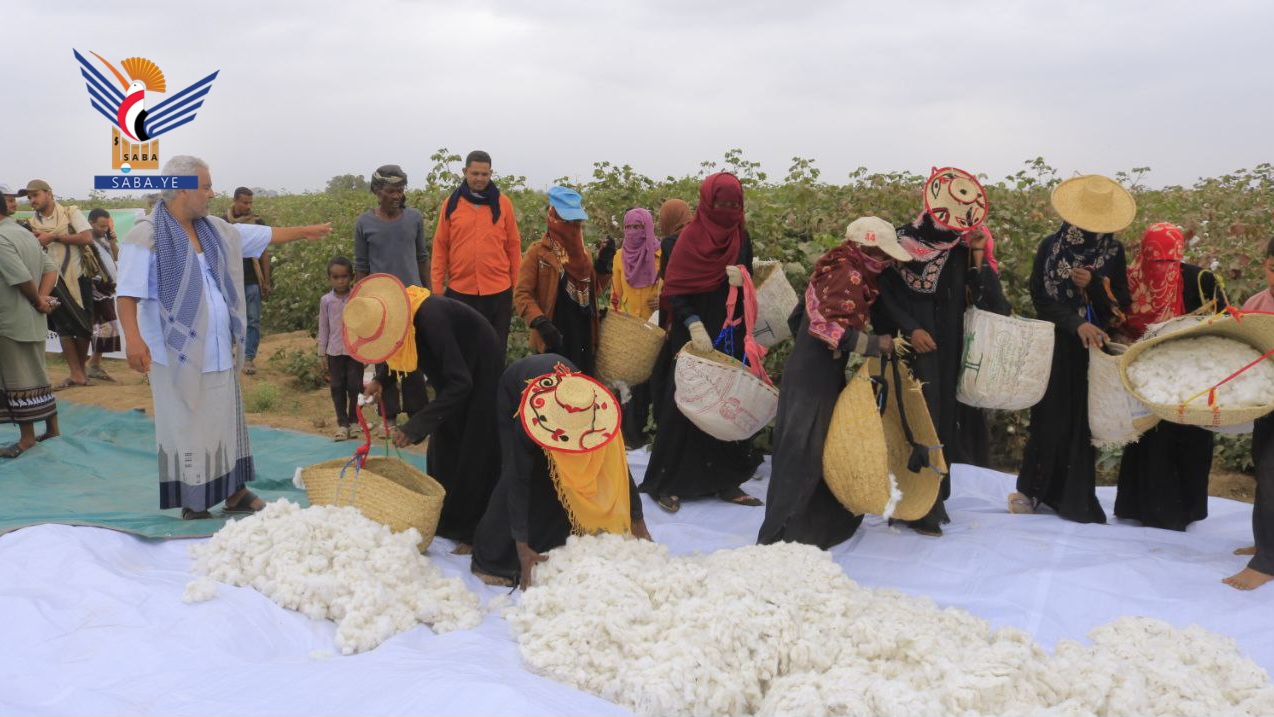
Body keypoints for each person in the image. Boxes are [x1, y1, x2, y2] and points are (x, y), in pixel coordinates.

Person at [115, 155, 332, 519]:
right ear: (183, 190)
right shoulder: (145, 236)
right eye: (206, 186)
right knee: (188, 426)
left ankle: (235, 493)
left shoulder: (214, 230)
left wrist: (304, 231)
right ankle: (194, 501)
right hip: (174, 353)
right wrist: (134, 341)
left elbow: (261, 236)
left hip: (217, 349)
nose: (213, 194)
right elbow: (127, 295)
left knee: (226, 422)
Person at [871, 167, 1011, 536]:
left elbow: (990, 302)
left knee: (943, 419)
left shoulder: (963, 247)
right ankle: (914, 506)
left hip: (947, 346)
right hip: (909, 344)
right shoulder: (901, 241)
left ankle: (933, 500)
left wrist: (978, 254)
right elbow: (883, 295)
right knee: (913, 418)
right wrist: (910, 328)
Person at [758, 217, 912, 548]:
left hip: (810, 367)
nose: (885, 262)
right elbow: (827, 329)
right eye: (882, 255)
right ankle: (784, 533)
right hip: (814, 374)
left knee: (812, 448)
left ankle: (809, 526)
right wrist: (877, 344)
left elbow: (798, 318)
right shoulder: (848, 275)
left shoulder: (831, 264)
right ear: (866, 247)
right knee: (802, 452)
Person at [1010, 174, 1134, 523]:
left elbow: (1121, 303)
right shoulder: (1051, 246)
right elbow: (1040, 297)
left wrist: (1093, 285)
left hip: (1092, 348)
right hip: (1056, 342)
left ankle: (1073, 497)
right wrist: (1074, 323)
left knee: (1081, 422)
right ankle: (1033, 490)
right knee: (1048, 416)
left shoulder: (1113, 251)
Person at [347, 274, 503, 549]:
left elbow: (462, 382)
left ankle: (473, 531)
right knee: (443, 444)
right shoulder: (404, 321)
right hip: (454, 372)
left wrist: (416, 426)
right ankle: (445, 519)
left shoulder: (431, 318)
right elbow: (401, 351)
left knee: (473, 447)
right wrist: (381, 380)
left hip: (480, 365)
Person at [471, 355, 652, 589]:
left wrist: (638, 519)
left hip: (565, 389)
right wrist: (522, 547)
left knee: (561, 478)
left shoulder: (600, 421)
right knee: (516, 474)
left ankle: (548, 539)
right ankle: (492, 559)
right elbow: (518, 481)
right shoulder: (528, 422)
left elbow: (620, 471)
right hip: (513, 394)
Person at [639, 172, 763, 512]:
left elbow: (749, 277)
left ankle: (725, 480)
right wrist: (693, 323)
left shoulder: (741, 237)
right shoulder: (688, 240)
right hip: (692, 332)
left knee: (724, 402)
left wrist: (743, 279)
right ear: (708, 203)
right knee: (685, 402)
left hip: (727, 331)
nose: (728, 211)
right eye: (722, 204)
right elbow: (675, 288)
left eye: (734, 205)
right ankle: (668, 481)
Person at [1114, 222, 1227, 531]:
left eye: (1169, 260)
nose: (1162, 268)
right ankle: (1145, 509)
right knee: (1152, 442)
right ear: (1143, 254)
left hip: (1192, 376)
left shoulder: (1200, 280)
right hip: (1148, 375)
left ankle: (1184, 510)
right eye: (1155, 260)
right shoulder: (1130, 283)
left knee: (1190, 440)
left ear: (1179, 256)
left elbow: (1223, 322)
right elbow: (1117, 322)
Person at [352, 165, 430, 433]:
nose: (397, 196)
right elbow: (362, 265)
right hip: (381, 302)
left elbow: (422, 257)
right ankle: (390, 416)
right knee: (384, 357)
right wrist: (362, 303)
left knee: (412, 357)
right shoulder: (365, 223)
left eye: (400, 190)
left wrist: (428, 293)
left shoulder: (414, 218)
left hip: (412, 299)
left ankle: (417, 415)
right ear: (377, 191)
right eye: (390, 191)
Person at [514, 186, 615, 378]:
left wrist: (603, 266)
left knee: (582, 389)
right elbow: (522, 294)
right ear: (554, 219)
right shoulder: (538, 253)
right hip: (553, 337)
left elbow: (591, 293)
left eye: (576, 222)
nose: (572, 227)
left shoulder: (583, 255)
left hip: (583, 336)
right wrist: (540, 321)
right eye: (567, 221)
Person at [431, 150, 523, 350]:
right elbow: (440, 247)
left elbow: (514, 247)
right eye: (475, 173)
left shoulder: (503, 204)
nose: (480, 178)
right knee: (464, 349)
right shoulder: (451, 204)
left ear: (491, 173)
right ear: (465, 172)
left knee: (495, 349)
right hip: (460, 291)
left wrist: (517, 288)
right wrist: (436, 289)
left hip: (498, 291)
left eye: (484, 174)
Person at [1224, 237, 1274, 591]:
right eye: (1273, 269)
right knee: (1265, 466)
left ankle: (1268, 561)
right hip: (1266, 400)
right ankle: (1264, 543)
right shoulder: (1257, 303)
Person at [0, 184, 59, 457]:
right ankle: (53, 427)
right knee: (38, 373)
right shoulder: (22, 232)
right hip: (33, 317)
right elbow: (50, 269)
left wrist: (37, 300)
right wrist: (42, 300)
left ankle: (26, 439)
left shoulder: (2, 237)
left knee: (18, 380)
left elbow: (22, 278)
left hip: (11, 319)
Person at [22, 179, 95, 389]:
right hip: (51, 281)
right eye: (29, 197)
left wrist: (53, 237)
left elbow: (87, 238)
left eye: (35, 195)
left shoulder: (70, 213)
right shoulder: (31, 223)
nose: (32, 200)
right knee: (64, 327)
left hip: (78, 275)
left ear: (49, 193)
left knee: (84, 326)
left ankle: (80, 372)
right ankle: (75, 373)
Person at [611, 207, 662, 448]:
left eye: (638, 227)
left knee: (656, 381)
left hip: (656, 327)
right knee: (632, 384)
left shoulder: (661, 254)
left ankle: (656, 434)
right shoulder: (619, 256)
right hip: (630, 328)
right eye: (629, 227)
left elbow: (671, 285)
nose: (633, 232)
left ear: (648, 227)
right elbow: (615, 294)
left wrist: (664, 300)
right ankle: (632, 436)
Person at [223, 187, 269, 375]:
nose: (248, 206)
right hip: (230, 281)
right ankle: (227, 355)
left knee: (253, 320)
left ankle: (249, 358)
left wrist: (266, 280)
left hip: (251, 280)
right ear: (235, 200)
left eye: (250, 202)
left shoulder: (257, 223)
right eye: (245, 202)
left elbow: (264, 253)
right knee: (227, 320)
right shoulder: (223, 223)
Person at [316, 256, 361, 441]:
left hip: (355, 351)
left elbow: (364, 323)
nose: (340, 281)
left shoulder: (357, 298)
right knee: (337, 386)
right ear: (329, 278)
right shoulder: (326, 301)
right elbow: (324, 326)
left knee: (355, 386)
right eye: (335, 277)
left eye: (344, 276)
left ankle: (354, 421)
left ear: (351, 277)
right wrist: (321, 351)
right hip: (334, 351)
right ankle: (342, 424)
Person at [85, 208, 121, 382]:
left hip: (107, 289)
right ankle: (92, 364)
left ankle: (94, 364)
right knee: (106, 325)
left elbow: (116, 256)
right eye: (101, 226)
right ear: (90, 223)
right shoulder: (86, 241)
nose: (104, 229)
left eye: (106, 226)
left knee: (105, 326)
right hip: (96, 290)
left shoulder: (104, 240)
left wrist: (112, 242)